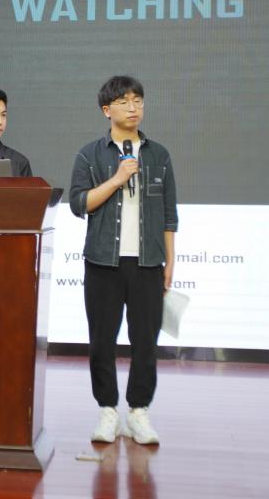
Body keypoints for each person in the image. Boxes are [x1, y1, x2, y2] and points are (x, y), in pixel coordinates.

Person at [68, 75, 177, 445]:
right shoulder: (90, 154)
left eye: (138, 101)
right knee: (101, 340)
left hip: (148, 263)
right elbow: (79, 204)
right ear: (106, 110)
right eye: (124, 101)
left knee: (146, 341)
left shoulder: (159, 155)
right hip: (103, 263)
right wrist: (117, 179)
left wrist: (170, 261)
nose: (134, 108)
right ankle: (108, 411)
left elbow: (169, 214)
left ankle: (139, 413)